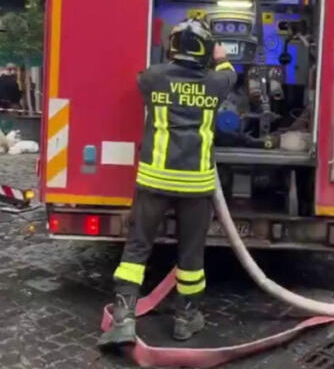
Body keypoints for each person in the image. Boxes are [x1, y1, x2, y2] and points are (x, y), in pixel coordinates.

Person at [98, 19, 237, 347]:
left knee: (137, 248)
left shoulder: (153, 78)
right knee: (191, 255)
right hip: (196, 186)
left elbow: (140, 77)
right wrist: (220, 57)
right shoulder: (217, 82)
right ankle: (185, 320)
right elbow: (230, 73)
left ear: (172, 48)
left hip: (154, 181)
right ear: (206, 51)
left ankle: (123, 319)